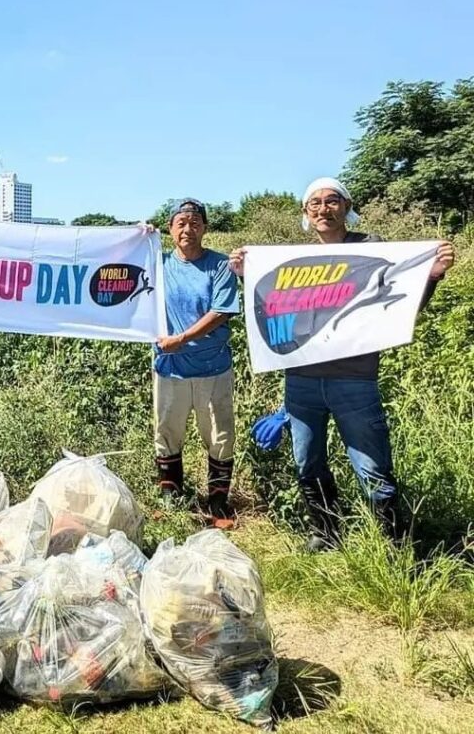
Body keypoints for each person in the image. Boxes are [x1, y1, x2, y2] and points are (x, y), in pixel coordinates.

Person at [229, 177, 455, 550]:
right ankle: (326, 533)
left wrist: (431, 277)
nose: (323, 208)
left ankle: (392, 546)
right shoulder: (293, 264)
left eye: (331, 200)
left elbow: (404, 306)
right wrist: (246, 276)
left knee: (372, 469)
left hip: (355, 381)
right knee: (307, 464)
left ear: (346, 207)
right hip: (300, 382)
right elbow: (272, 309)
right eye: (314, 203)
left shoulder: (373, 249)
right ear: (305, 214)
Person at [153, 199, 241, 524]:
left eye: (194, 222)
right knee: (167, 432)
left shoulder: (220, 266)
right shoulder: (157, 264)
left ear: (204, 227)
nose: (188, 229)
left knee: (219, 435)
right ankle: (171, 497)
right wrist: (138, 237)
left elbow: (220, 312)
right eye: (181, 223)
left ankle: (218, 502)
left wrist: (182, 339)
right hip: (169, 369)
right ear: (170, 229)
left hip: (212, 368)